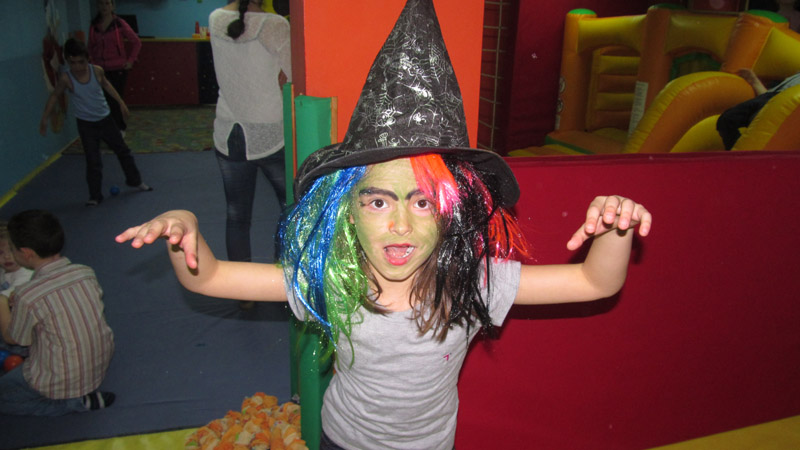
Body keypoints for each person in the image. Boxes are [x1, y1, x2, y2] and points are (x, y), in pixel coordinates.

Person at [116, 0, 652, 448]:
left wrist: (616, 228)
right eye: (376, 203)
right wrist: (184, 231)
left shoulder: (473, 283)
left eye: (423, 203)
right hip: (342, 439)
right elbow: (208, 277)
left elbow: (595, 281)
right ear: (346, 209)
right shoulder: (332, 278)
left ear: (453, 210)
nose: (399, 225)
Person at [209, 0, 291, 310]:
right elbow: (295, 74)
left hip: (229, 131)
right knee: (290, 210)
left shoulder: (215, 19)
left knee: (237, 215)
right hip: (270, 132)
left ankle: (243, 295)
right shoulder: (275, 25)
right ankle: (281, 285)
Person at [0, 210, 115, 416]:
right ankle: (80, 395)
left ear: (26, 253)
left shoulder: (27, 294)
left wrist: (1, 302)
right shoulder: (85, 272)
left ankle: (72, 404)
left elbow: (15, 338)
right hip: (99, 366)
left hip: (61, 380)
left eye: (12, 249)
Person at [40, 38, 152, 206]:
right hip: (86, 125)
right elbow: (55, 96)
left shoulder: (97, 71)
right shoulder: (66, 78)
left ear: (88, 59)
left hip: (105, 120)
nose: (77, 67)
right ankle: (95, 196)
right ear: (68, 62)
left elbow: (107, 86)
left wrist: (121, 103)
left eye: (81, 62)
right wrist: (45, 118)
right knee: (93, 161)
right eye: (73, 63)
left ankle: (135, 181)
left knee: (123, 151)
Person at [88, 0, 141, 133]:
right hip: (100, 69)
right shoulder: (94, 25)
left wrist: (130, 61)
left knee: (115, 100)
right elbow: (90, 47)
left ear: (112, 6)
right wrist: (92, 63)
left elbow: (136, 42)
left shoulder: (119, 23)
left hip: (118, 69)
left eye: (107, 3)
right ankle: (107, 130)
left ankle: (120, 128)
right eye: (101, 4)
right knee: (103, 100)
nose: (104, 7)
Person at [716, 67, 800, 150]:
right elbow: (768, 96)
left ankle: (741, 152)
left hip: (781, 100)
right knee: (726, 120)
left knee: (727, 120)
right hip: (773, 98)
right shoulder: (795, 77)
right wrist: (754, 81)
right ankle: (739, 151)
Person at [0, 223, 33, 299]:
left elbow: (5, 298)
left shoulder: (26, 274)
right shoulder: (2, 270)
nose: (6, 257)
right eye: (0, 252)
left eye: (11, 251)